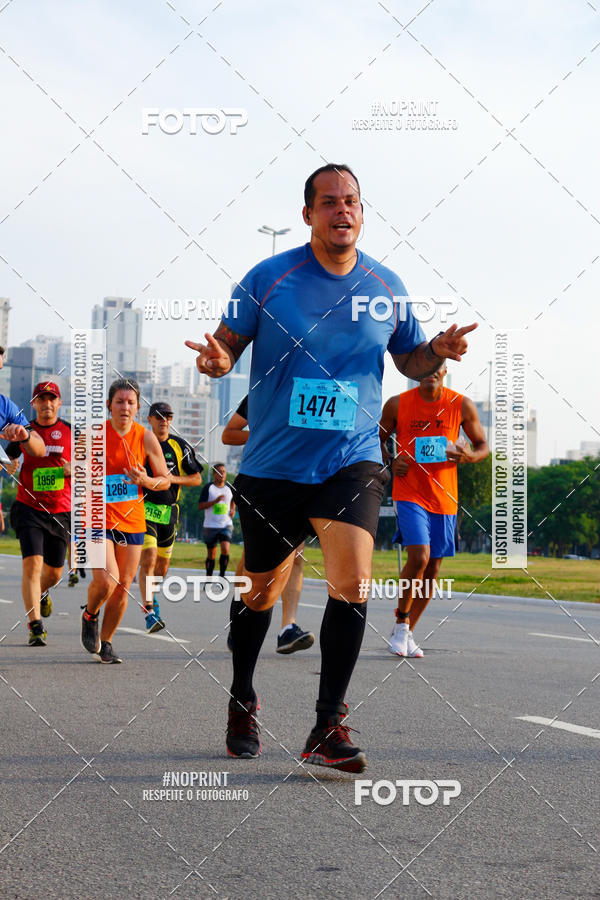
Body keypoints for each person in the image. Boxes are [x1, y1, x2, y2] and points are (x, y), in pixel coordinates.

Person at [186, 163, 476, 772]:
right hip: (272, 465)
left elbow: (410, 361)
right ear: (308, 213)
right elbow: (226, 349)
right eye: (329, 202)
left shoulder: (386, 285)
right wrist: (215, 362)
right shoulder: (269, 277)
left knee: (352, 580)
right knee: (259, 590)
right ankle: (243, 696)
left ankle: (328, 724)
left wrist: (436, 354)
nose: (342, 211)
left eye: (351, 202)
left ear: (362, 213)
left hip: (352, 460)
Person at [379, 364, 489, 657]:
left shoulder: (461, 404)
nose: (431, 371)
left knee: (434, 567)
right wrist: (390, 461)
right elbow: (373, 439)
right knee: (419, 556)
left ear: (445, 370)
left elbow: (482, 446)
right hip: (409, 493)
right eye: (426, 366)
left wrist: (467, 456)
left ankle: (406, 632)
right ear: (417, 370)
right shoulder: (397, 404)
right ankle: (401, 622)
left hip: (444, 498)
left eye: (437, 366)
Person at [80, 379, 169, 664]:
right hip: (98, 518)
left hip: (132, 522)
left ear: (138, 407)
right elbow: (76, 473)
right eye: (119, 401)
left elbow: (164, 480)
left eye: (131, 402)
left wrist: (145, 480)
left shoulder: (145, 436)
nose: (125, 407)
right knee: (107, 580)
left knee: (123, 586)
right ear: (109, 405)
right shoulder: (95, 434)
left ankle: (105, 642)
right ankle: (90, 613)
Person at [222, 395, 314, 654]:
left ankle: (288, 629)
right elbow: (229, 435)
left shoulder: (313, 389)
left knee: (296, 553)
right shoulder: (263, 391)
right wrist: (269, 435)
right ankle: (240, 615)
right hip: (261, 480)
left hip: (301, 480)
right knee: (253, 557)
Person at [5, 381, 70, 646]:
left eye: (51, 399)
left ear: (59, 402)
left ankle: (43, 593)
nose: (47, 404)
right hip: (29, 508)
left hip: (60, 510)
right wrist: (10, 466)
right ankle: (35, 626)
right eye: (41, 400)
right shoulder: (25, 431)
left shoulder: (70, 432)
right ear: (34, 404)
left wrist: (74, 469)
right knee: (32, 566)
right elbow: (8, 458)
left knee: (54, 573)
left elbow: (89, 464)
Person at [139, 401, 203, 632]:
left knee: (162, 567)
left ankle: (151, 595)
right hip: (143, 509)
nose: (163, 420)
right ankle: (149, 611)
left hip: (169, 511)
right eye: (158, 416)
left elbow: (196, 478)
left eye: (167, 415)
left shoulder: (179, 445)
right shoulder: (140, 440)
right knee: (149, 557)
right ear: (149, 419)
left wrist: (170, 479)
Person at [197, 463, 235, 580]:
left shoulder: (229, 488)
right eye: (219, 472)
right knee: (211, 554)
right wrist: (215, 501)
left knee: (225, 549)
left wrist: (233, 508)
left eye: (224, 471)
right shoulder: (209, 488)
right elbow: (200, 506)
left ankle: (222, 576)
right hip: (210, 525)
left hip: (226, 524)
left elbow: (234, 499)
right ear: (214, 474)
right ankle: (209, 578)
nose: (222, 474)